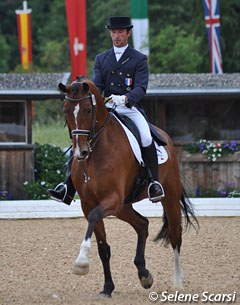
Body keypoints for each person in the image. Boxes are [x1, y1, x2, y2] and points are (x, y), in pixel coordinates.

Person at [48, 16, 164, 204]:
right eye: (114, 32)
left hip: (129, 108)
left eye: (120, 32)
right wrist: (98, 99)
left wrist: (127, 98)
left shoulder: (139, 59)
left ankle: (154, 183)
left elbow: (141, 87)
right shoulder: (102, 58)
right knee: (80, 135)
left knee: (146, 136)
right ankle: (67, 185)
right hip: (106, 107)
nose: (116, 36)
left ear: (128, 33)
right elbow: (97, 85)